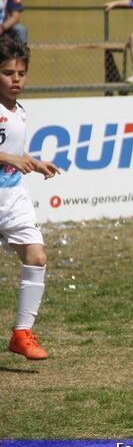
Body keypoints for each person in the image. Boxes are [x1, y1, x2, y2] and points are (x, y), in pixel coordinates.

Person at [0, 36, 60, 360]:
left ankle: (22, 333)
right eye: (9, 73)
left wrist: (32, 162)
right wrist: (8, 158)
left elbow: (11, 149)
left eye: (21, 73)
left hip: (13, 198)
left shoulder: (19, 112)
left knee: (36, 257)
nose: (17, 79)